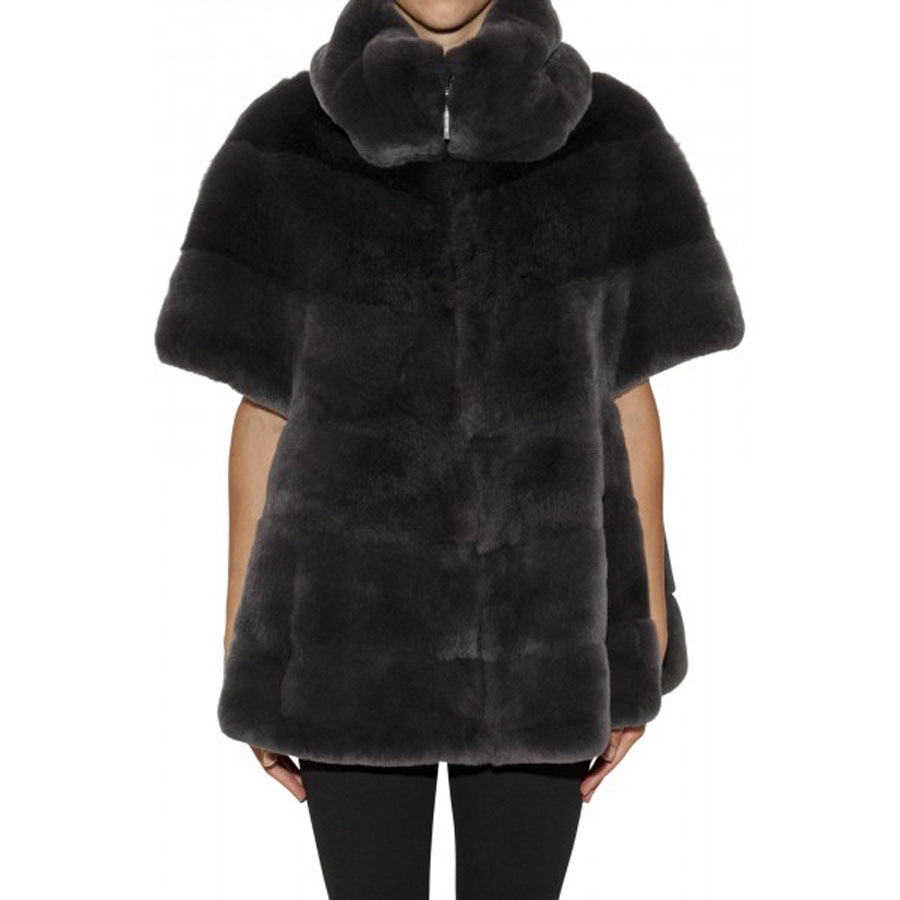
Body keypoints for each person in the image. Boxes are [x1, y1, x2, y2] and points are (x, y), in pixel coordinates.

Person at [154, 0, 744, 897]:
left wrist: (645, 635)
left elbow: (627, 394)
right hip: (347, 642)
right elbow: (264, 408)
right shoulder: (285, 142)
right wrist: (248, 645)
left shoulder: (610, 137)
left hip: (546, 638)